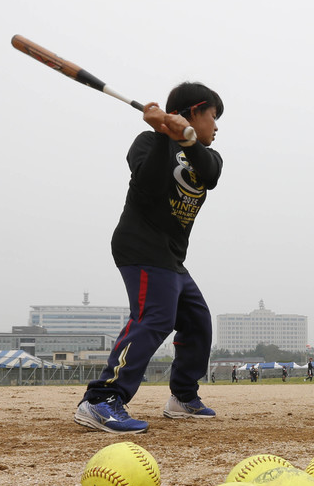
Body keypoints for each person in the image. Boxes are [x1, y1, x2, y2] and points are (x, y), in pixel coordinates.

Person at [74, 82, 224, 434]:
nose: (216, 127)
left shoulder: (208, 156)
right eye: (213, 116)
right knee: (155, 317)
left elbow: (211, 175)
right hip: (140, 245)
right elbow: (150, 181)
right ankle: (101, 399)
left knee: (197, 321)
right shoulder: (147, 142)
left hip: (171, 257)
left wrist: (184, 138)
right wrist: (161, 134)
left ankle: (182, 397)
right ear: (194, 111)